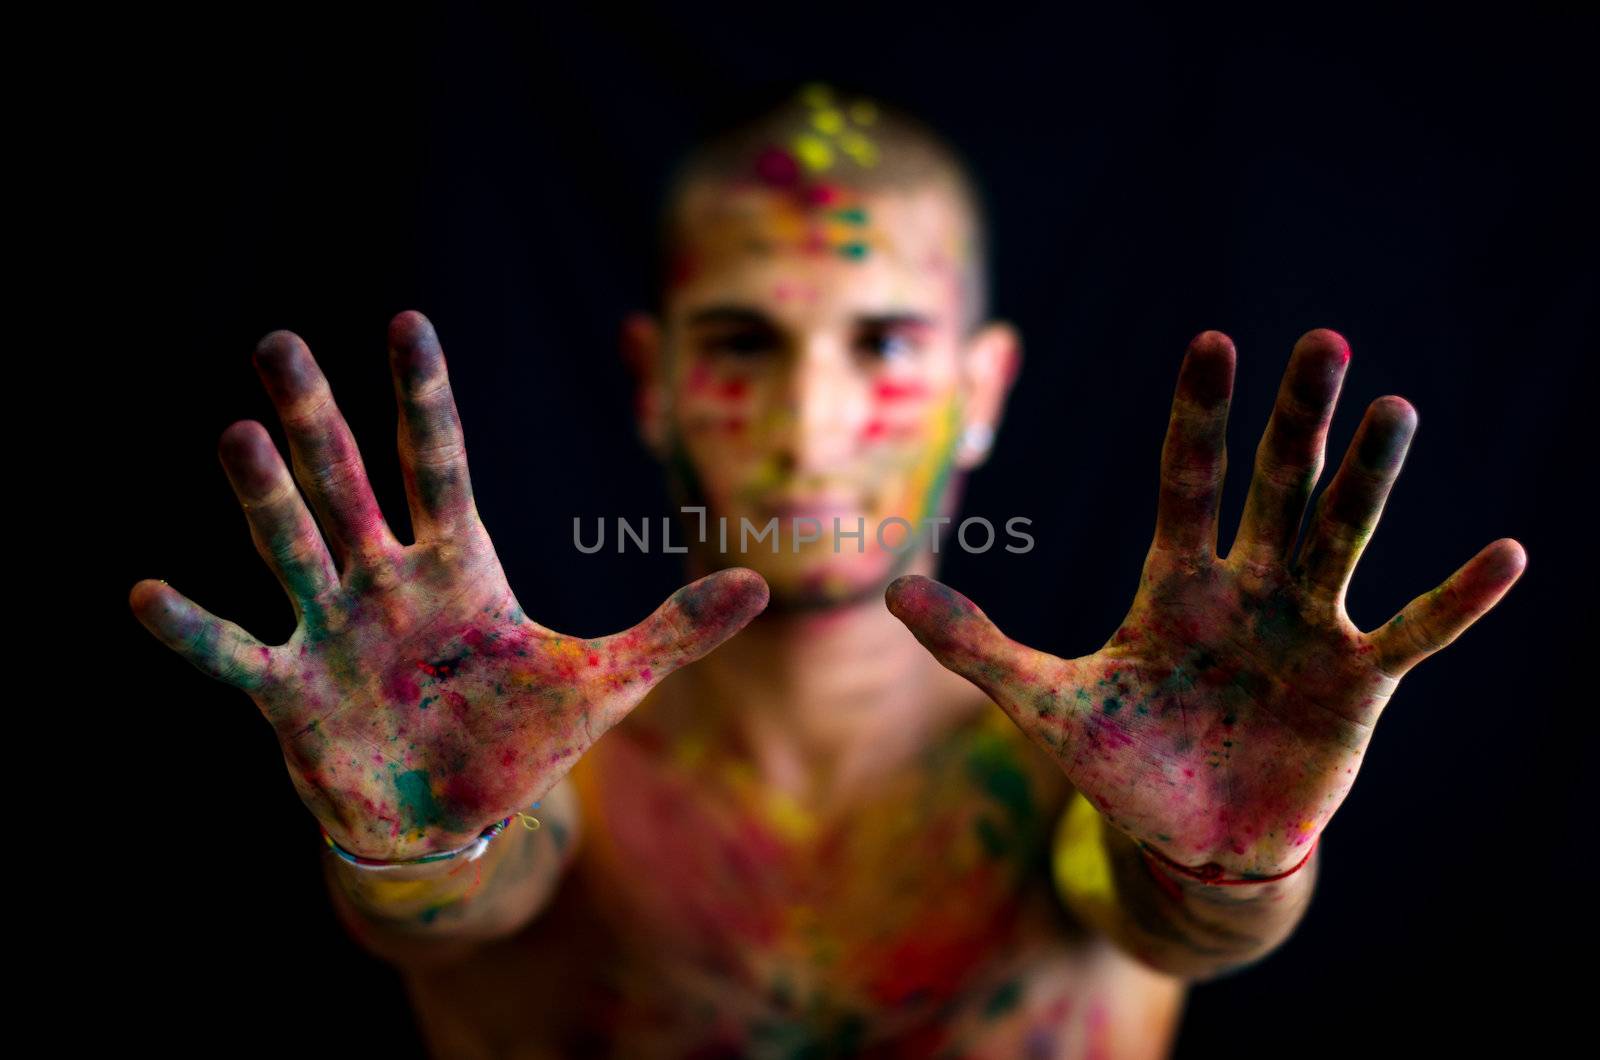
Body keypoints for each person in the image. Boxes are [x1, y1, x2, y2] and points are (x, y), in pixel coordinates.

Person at [127, 83, 1527, 1058]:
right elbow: (457, 904)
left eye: (884, 344)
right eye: (743, 344)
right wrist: (417, 830)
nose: (808, 426)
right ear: (654, 382)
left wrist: (1233, 859)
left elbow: (1175, 922)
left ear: (984, 390)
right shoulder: (522, 760)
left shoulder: (1093, 779)